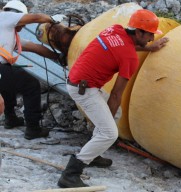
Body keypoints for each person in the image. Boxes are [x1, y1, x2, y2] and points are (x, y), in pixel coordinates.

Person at [57, 9, 169, 188]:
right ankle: (71, 174)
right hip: (84, 89)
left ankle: (93, 154)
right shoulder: (130, 58)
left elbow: (124, 46)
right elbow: (117, 94)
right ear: (139, 31)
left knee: (115, 117)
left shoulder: (114, 30)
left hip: (78, 81)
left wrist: (149, 48)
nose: (151, 39)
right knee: (109, 133)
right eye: (149, 35)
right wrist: (106, 127)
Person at [0, 0, 66, 139]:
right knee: (30, 84)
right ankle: (33, 128)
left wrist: (59, 57)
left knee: (10, 79)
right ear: (18, 16)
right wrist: (52, 20)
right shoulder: (5, 16)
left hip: (2, 69)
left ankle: (10, 118)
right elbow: (36, 18)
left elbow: (36, 48)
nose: (23, 27)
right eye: (23, 22)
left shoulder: (8, 33)